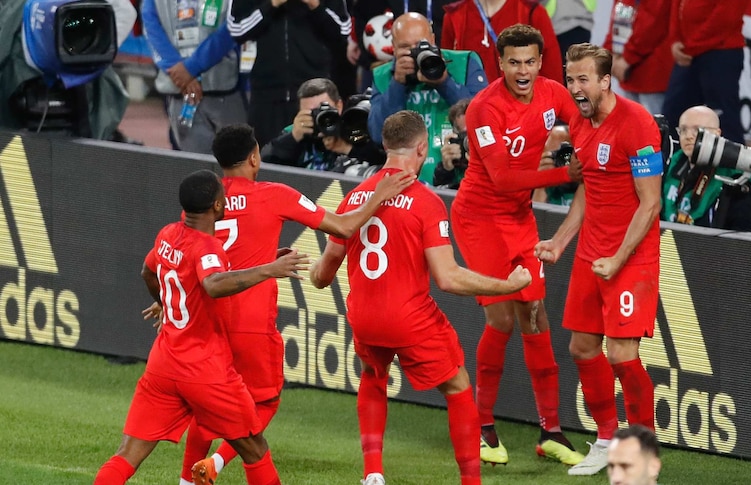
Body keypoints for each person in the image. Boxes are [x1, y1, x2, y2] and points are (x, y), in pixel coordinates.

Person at [177, 124, 414, 485]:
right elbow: (344, 227)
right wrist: (378, 194)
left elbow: (205, 257)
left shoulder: (204, 201)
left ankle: (188, 480)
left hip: (208, 319)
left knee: (209, 402)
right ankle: (218, 464)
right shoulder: (274, 194)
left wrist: (264, 257)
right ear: (255, 157)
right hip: (251, 323)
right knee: (264, 401)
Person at [309, 110, 533, 485]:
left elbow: (322, 275)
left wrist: (308, 269)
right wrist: (508, 285)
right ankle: (471, 482)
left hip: (364, 315)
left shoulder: (354, 199)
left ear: (384, 146)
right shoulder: (426, 202)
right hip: (408, 317)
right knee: (458, 385)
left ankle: (373, 474)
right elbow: (448, 278)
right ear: (421, 148)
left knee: (373, 374)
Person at [93, 169, 308, 485]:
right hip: (205, 369)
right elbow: (213, 283)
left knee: (128, 453)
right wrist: (269, 269)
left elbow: (148, 272)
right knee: (255, 450)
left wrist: (167, 303)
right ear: (219, 205)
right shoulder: (206, 246)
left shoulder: (168, 234)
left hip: (164, 365)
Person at [450, 24, 583, 467]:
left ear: (540, 62)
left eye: (530, 62)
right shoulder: (484, 108)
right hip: (478, 218)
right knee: (503, 315)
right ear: (500, 63)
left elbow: (585, 124)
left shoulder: (553, 93)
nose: (522, 71)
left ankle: (551, 430)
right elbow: (504, 179)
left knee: (534, 312)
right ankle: (482, 424)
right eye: (513, 62)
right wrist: (566, 174)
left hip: (519, 218)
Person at [534, 42, 662, 476]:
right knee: (582, 347)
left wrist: (618, 258)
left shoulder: (638, 124)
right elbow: (589, 190)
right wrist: (559, 241)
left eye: (583, 79)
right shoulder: (580, 122)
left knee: (622, 356)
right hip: (592, 253)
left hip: (631, 255)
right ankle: (608, 438)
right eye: (570, 79)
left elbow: (650, 204)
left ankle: (642, 451)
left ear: (606, 80)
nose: (575, 88)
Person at [368, 12, 487, 185]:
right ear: (393, 47)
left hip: (461, 182)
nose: (414, 53)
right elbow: (378, 135)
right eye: (405, 47)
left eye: (420, 44)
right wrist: (398, 84)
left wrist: (444, 82)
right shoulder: (382, 76)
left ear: (432, 40)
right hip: (405, 184)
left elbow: (484, 119)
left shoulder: (465, 62)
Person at [227, 0, 350, 147]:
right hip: (267, 95)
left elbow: (343, 31)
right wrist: (272, 4)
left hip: (313, 96)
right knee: (266, 159)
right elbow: (237, 29)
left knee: (315, 158)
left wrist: (315, 5)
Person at [141, 0, 246, 154]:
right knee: (195, 168)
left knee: (237, 160)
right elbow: (151, 26)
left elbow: (234, 24)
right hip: (180, 91)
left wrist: (190, 68)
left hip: (224, 88)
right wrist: (180, 70)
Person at [661, 0, 748, 144]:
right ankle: (674, 163)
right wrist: (675, 39)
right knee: (673, 117)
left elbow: (726, 16)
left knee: (723, 120)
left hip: (720, 52)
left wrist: (689, 46)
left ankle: (731, 167)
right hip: (688, 52)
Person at [661, 105, 751, 232]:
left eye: (697, 130)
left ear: (717, 134)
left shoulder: (735, 176)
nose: (688, 136)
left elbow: (746, 235)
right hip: (668, 245)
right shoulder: (673, 163)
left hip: (714, 249)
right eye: (683, 130)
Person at [261, 78, 385, 169]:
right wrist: (293, 138)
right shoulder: (296, 131)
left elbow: (382, 159)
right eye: (311, 112)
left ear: (339, 105)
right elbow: (266, 165)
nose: (319, 116)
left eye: (324, 108)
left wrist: (346, 148)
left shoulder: (353, 126)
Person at [441, 0, 563, 83]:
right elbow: (449, 71)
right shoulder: (454, 17)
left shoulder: (532, 12)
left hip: (525, 110)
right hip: (471, 111)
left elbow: (552, 74)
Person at [602, 0, 672, 116]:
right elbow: (617, 20)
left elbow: (653, 24)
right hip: (627, 73)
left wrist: (626, 58)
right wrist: (610, 55)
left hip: (652, 74)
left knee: (655, 128)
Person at [433, 98, 470, 189]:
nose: (466, 140)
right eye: (462, 134)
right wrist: (446, 169)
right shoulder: (454, 161)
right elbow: (442, 195)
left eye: (470, 133)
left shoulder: (493, 158)